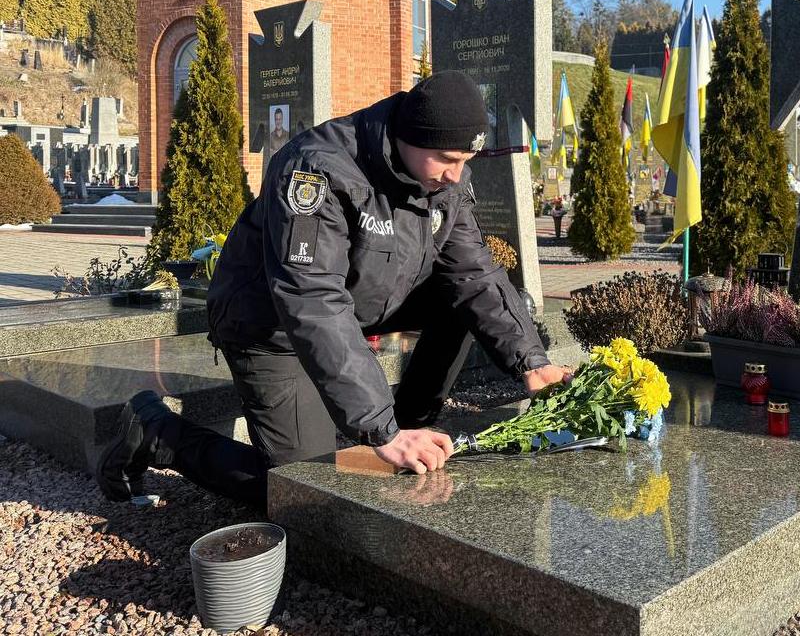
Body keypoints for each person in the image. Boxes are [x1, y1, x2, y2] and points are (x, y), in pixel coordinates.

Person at [95, 73, 568, 508]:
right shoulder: (316, 170)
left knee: (456, 300)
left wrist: (532, 361)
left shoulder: (442, 181)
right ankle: (158, 432)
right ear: (409, 136)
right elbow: (312, 298)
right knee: (305, 491)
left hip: (355, 304)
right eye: (447, 160)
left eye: (465, 162)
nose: (456, 175)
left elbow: (474, 275)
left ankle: (411, 426)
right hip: (269, 325)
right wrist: (378, 427)